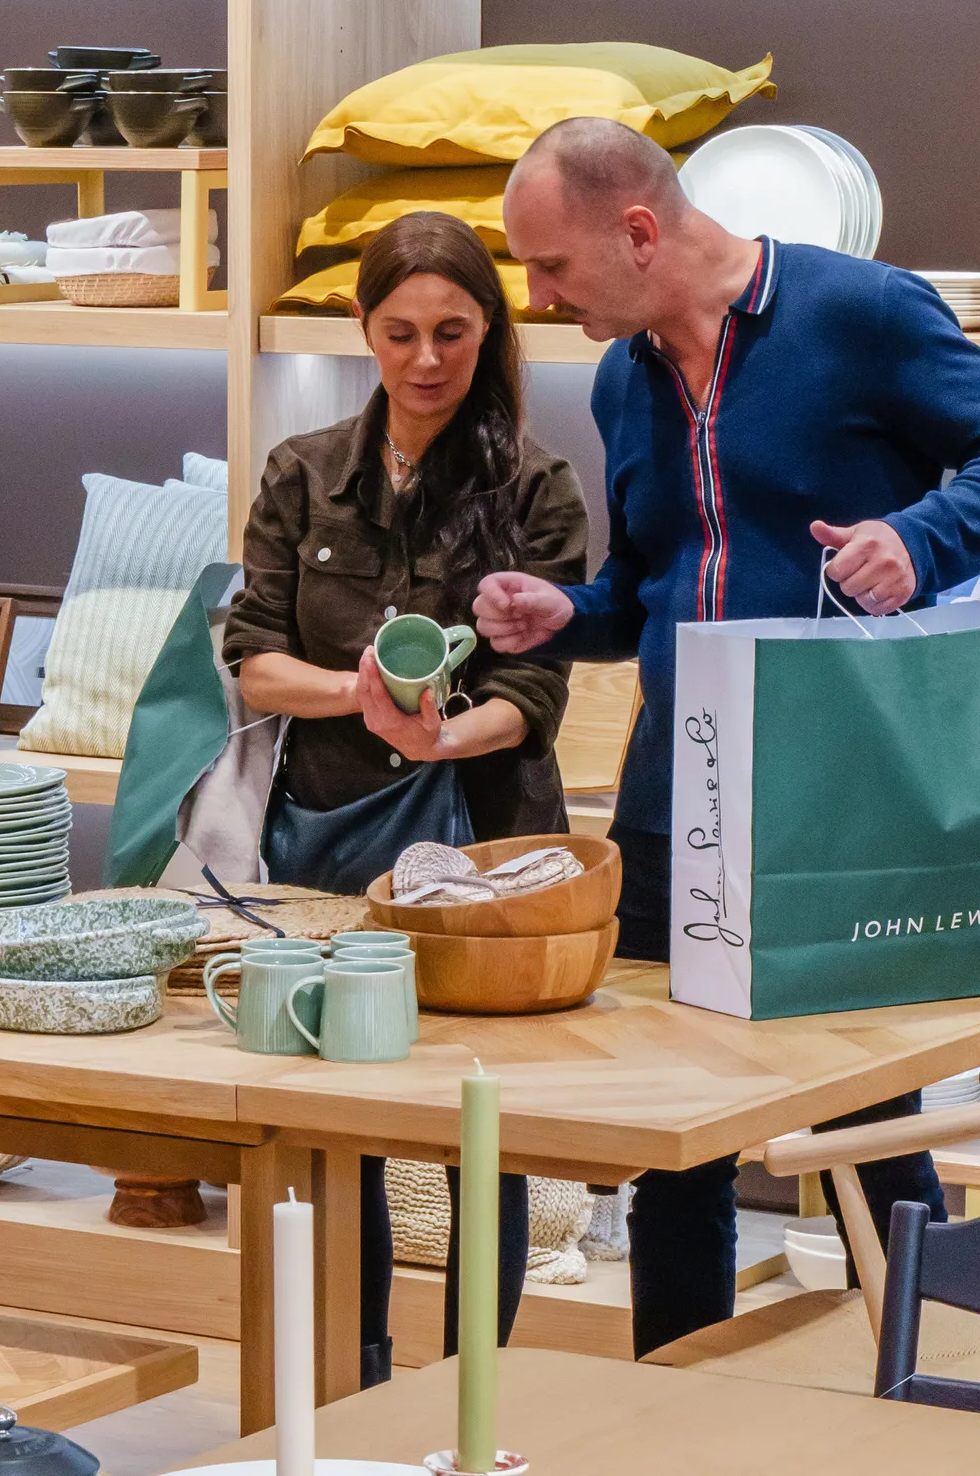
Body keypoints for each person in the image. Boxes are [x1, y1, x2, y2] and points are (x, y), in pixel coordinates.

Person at [474, 115, 980, 1358]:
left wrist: (921, 539)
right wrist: (560, 616)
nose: (536, 298)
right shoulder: (621, 375)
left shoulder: (860, 313)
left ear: (640, 231)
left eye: (551, 269)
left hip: (845, 784)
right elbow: (646, 587)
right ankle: (673, 1405)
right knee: (674, 1139)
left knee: (872, 1125)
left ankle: (916, 1394)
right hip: (669, 790)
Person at [226, 208, 590, 1383]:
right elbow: (252, 659)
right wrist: (363, 694)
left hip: (490, 850)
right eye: (400, 332)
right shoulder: (303, 472)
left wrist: (438, 744)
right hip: (328, 845)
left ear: (492, 330)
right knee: (350, 1130)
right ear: (361, 329)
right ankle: (366, 1381)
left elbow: (534, 693)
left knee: (488, 1132)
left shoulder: (537, 486)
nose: (427, 360)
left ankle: (475, 1390)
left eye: (453, 332)